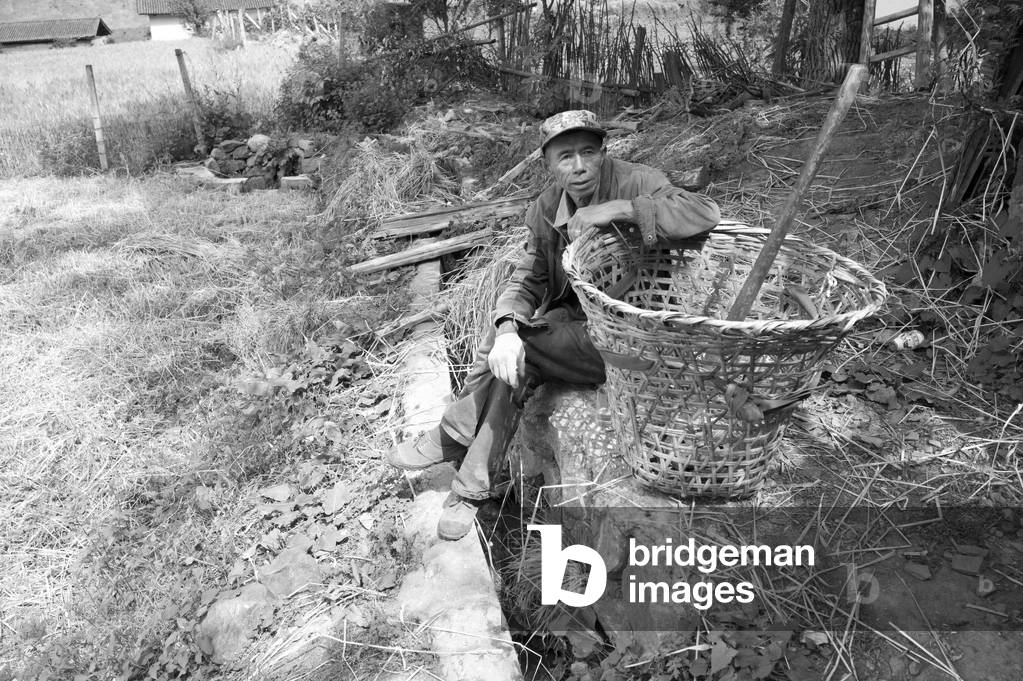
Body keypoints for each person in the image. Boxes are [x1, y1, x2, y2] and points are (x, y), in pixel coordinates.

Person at [386, 110, 721, 540]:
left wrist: (618, 209)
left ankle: (455, 441)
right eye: (565, 157)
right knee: (509, 350)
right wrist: (507, 327)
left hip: (634, 337)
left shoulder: (638, 181)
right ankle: (470, 487)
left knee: (522, 347)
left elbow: (704, 211)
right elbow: (528, 278)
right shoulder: (546, 209)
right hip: (577, 329)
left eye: (588, 153)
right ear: (548, 163)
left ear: (603, 153)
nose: (579, 167)